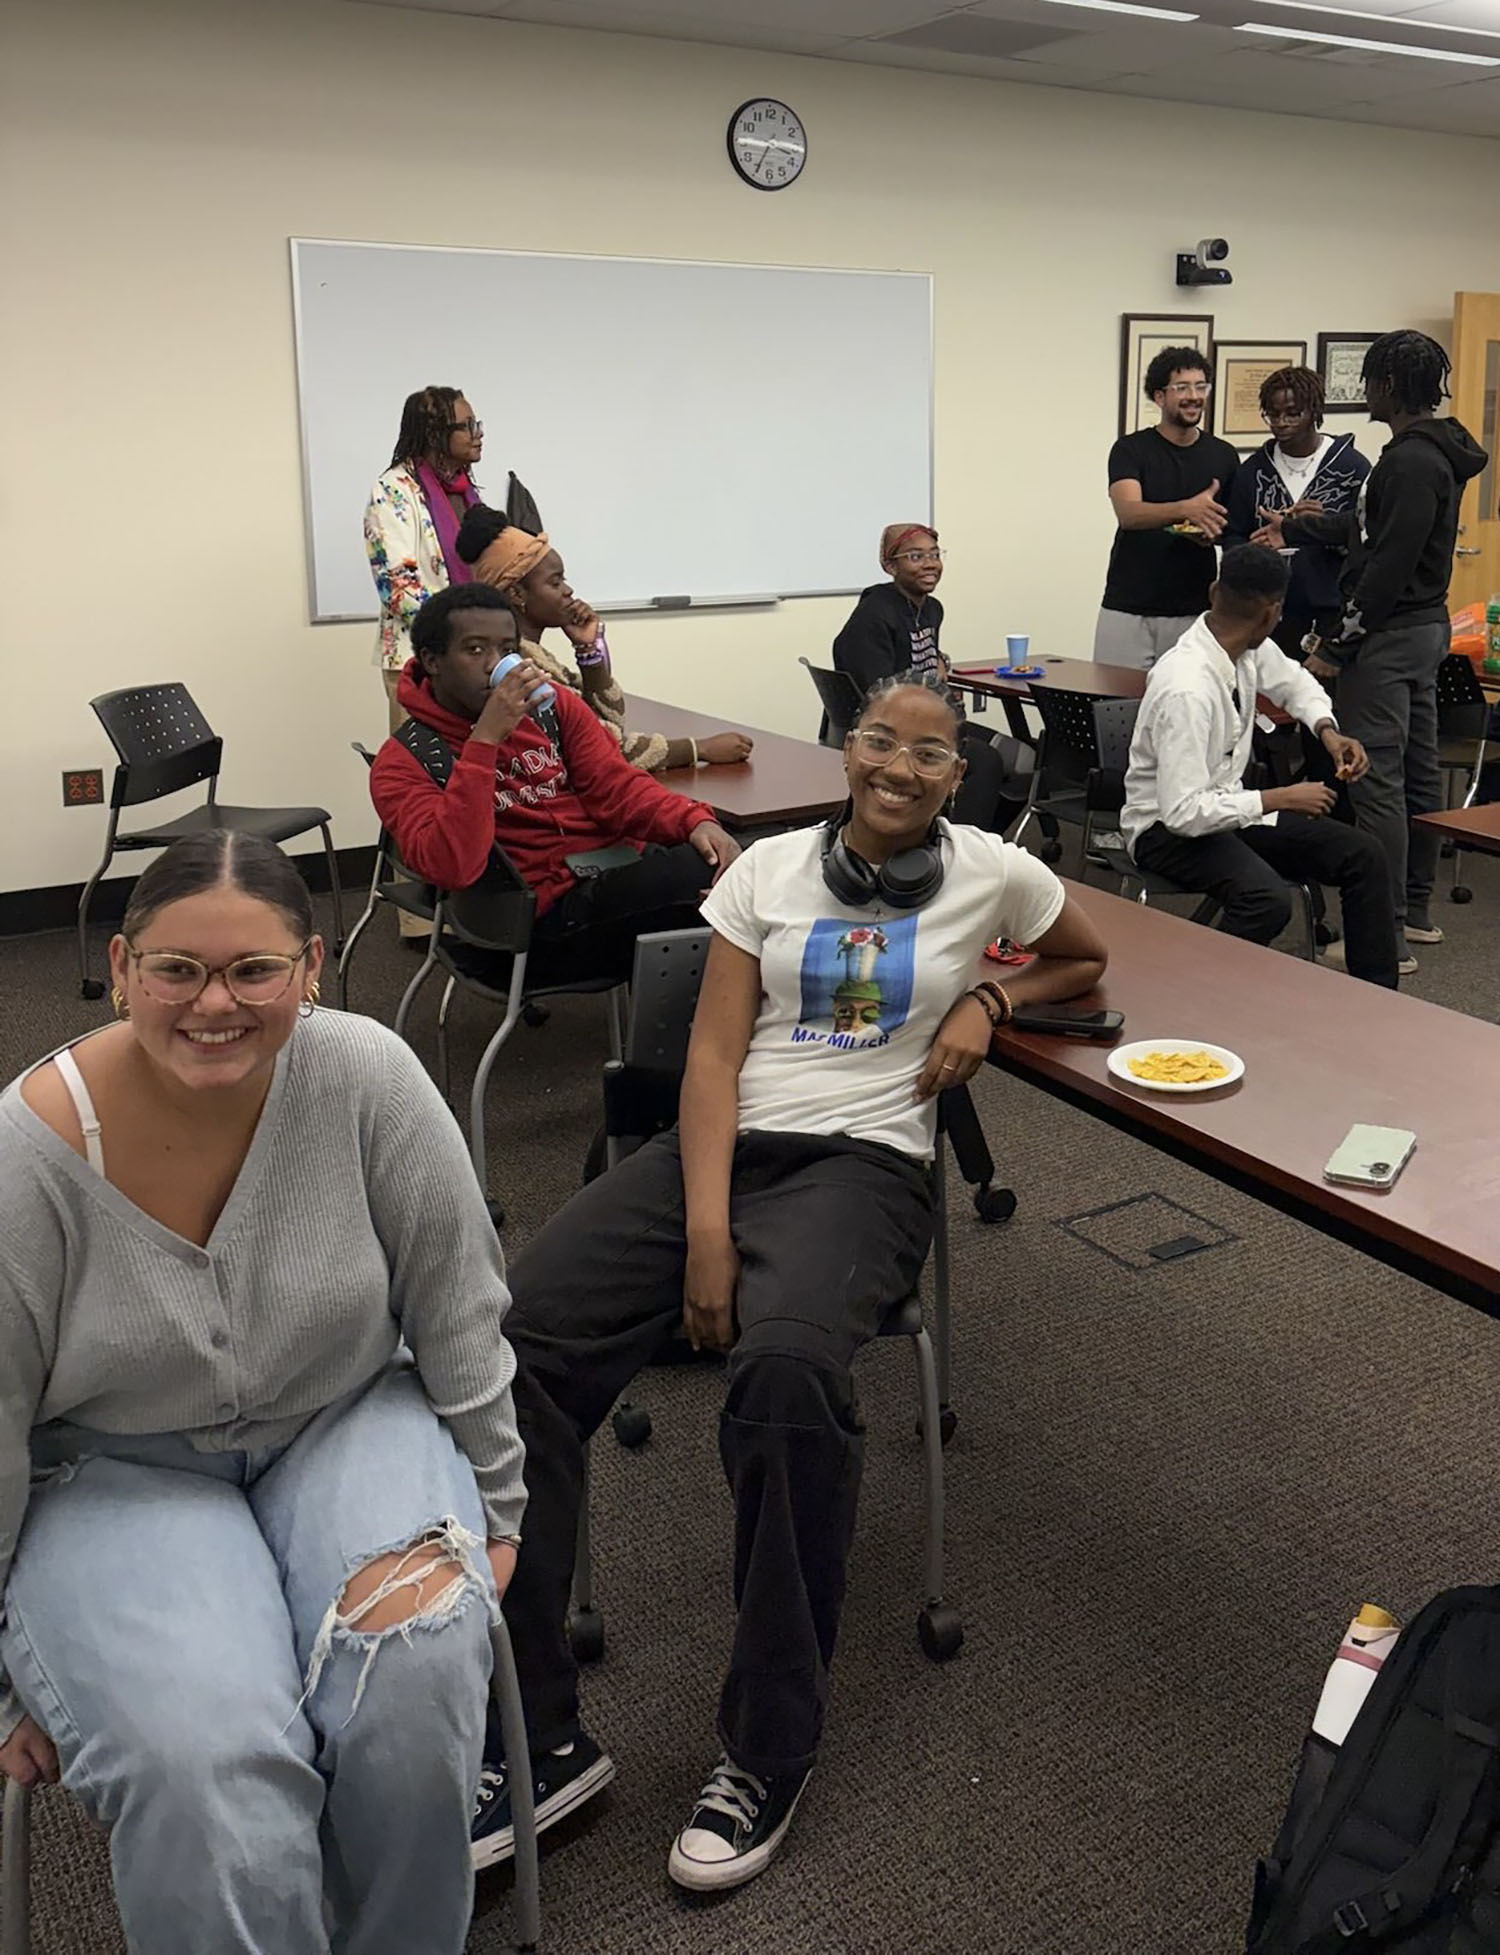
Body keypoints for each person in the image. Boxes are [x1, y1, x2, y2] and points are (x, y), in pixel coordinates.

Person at [482, 669, 1109, 1891]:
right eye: (880, 740)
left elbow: (1083, 959)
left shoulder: (996, 869)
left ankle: (769, 1743)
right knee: (515, 1344)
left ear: (957, 776)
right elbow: (713, 1055)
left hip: (866, 1166)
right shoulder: (763, 870)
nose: (899, 767)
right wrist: (706, 1231)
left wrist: (990, 991)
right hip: (718, 1151)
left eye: (930, 753)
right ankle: (535, 1728)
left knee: (785, 1374)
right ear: (849, 745)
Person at [0, 832, 527, 1954]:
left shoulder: (364, 1073)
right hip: (117, 1466)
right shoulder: (28, 1148)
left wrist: (499, 1506)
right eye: (177, 968)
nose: (214, 1003)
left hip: (344, 1412)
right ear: (121, 963)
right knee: (203, 1766)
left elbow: (457, 1298)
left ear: (314, 966)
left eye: (254, 970)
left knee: (420, 1666)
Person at [369, 584, 742, 986]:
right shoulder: (404, 760)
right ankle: (708, 1022)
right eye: (475, 650)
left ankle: (708, 1016)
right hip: (528, 922)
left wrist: (694, 821)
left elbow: (617, 788)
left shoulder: (554, 709)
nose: (496, 665)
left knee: (734, 857)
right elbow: (451, 867)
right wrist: (485, 742)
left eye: (507, 649)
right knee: (712, 886)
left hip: (604, 872)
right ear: (432, 661)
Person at [1254, 331, 1488, 966]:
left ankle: (1383, 931)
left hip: (1389, 636)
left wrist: (1337, 647)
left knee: (1378, 780)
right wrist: (1302, 522)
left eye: (1372, 380)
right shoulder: (1420, 452)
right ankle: (1414, 913)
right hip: (1420, 629)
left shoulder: (1412, 462)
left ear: (1389, 385)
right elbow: (1371, 531)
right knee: (1416, 773)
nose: (1366, 392)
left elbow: (1386, 565)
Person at [1122, 546, 1399, 987]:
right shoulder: (1186, 689)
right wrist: (1279, 798)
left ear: (1215, 591)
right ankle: (1187, 997)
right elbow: (1182, 814)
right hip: (1164, 830)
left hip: (1229, 810)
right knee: (1265, 899)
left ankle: (1378, 1000)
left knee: (1363, 855)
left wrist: (1327, 730)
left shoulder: (1246, 646)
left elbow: (1295, 682)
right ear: (1274, 613)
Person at [455, 504, 754, 772]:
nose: (568, 591)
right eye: (555, 581)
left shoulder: (535, 656)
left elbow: (604, 726)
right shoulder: (519, 670)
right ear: (517, 594)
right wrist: (698, 749)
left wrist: (589, 650)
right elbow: (603, 748)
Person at [1096, 348, 1241, 670]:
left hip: (1195, 610)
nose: (1194, 396)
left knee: (1185, 709)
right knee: (1113, 709)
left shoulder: (1224, 455)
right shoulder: (1131, 450)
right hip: (1128, 609)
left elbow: (1232, 527)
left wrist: (1210, 534)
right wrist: (1185, 509)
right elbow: (1129, 514)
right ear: (1160, 396)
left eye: (1201, 386)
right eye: (1182, 387)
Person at [1223, 367, 1370, 661]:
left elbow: (1369, 538)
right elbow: (1232, 536)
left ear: (1314, 411)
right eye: (1272, 414)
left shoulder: (1352, 469)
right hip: (1266, 613)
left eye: (1292, 414)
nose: (1281, 423)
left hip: (1332, 612)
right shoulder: (1252, 471)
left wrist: (1325, 525)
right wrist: (1251, 552)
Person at [831, 523, 946, 697]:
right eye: (916, 557)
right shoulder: (873, 615)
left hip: (919, 708)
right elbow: (879, 693)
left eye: (935, 555)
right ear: (891, 566)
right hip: (884, 718)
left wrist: (940, 659)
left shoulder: (933, 609)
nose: (930, 564)